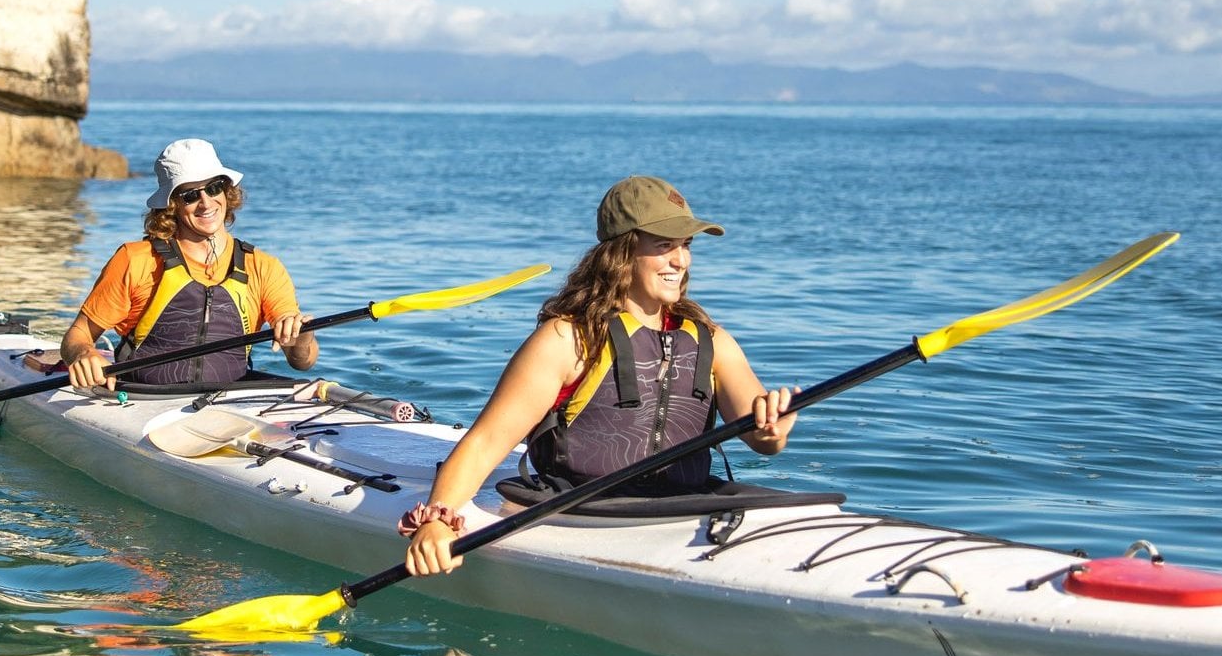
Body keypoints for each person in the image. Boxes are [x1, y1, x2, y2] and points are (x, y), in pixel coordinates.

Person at [401, 175, 795, 575]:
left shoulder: (712, 342)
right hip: (578, 512)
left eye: (686, 245)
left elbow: (765, 441)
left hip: (686, 510)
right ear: (622, 253)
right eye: (664, 246)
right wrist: (437, 518)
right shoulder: (567, 340)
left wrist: (772, 427)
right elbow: (486, 442)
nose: (681, 260)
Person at [56, 139, 318, 391]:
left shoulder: (263, 266)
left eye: (214, 188)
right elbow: (76, 337)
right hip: (139, 398)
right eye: (190, 195)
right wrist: (84, 354)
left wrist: (302, 336)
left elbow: (302, 362)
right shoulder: (135, 260)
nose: (206, 203)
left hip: (229, 403)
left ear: (227, 191)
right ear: (171, 205)